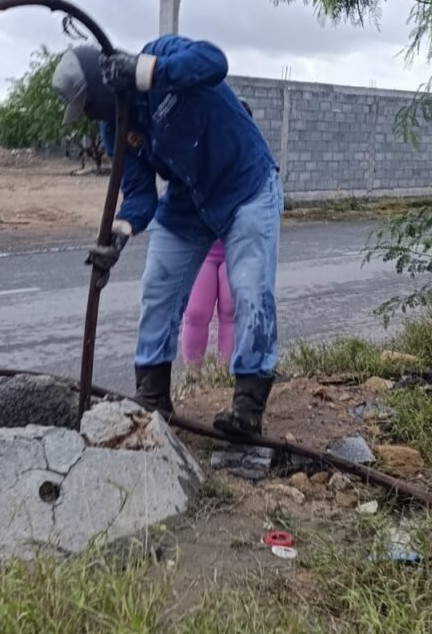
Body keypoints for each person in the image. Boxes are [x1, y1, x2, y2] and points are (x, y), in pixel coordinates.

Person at [52, 35, 282, 439]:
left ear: (104, 84)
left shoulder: (161, 54)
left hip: (246, 185)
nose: (92, 116)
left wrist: (144, 72)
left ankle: (247, 407)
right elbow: (140, 195)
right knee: (158, 285)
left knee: (249, 289)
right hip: (189, 201)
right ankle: (153, 395)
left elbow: (215, 60)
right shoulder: (116, 130)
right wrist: (118, 235)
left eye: (89, 105)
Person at [181, 240, 235, 366]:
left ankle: (227, 373)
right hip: (199, 246)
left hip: (237, 246)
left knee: (231, 311)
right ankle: (193, 376)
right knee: (195, 313)